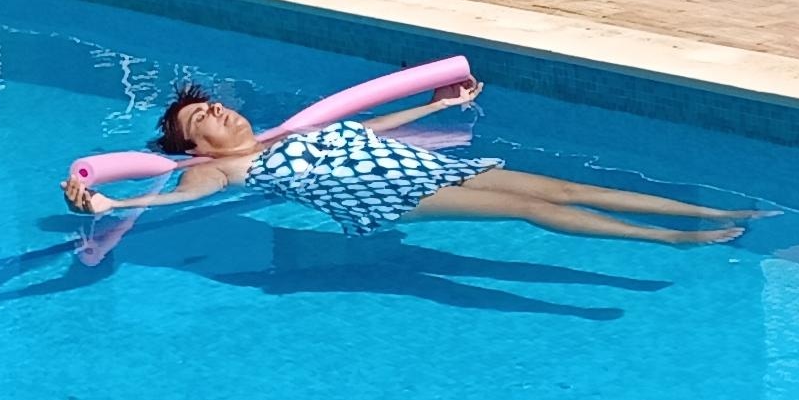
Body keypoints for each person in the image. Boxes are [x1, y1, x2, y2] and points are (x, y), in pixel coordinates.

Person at [67, 83, 753, 246]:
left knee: (564, 185)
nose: (217, 114)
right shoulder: (215, 171)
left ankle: (711, 210)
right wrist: (109, 206)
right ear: (196, 147)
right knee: (529, 208)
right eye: (201, 121)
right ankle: (677, 237)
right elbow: (176, 203)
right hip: (385, 192)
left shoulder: (279, 132)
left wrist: (437, 102)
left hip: (401, 159)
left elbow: (363, 124)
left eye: (213, 106)